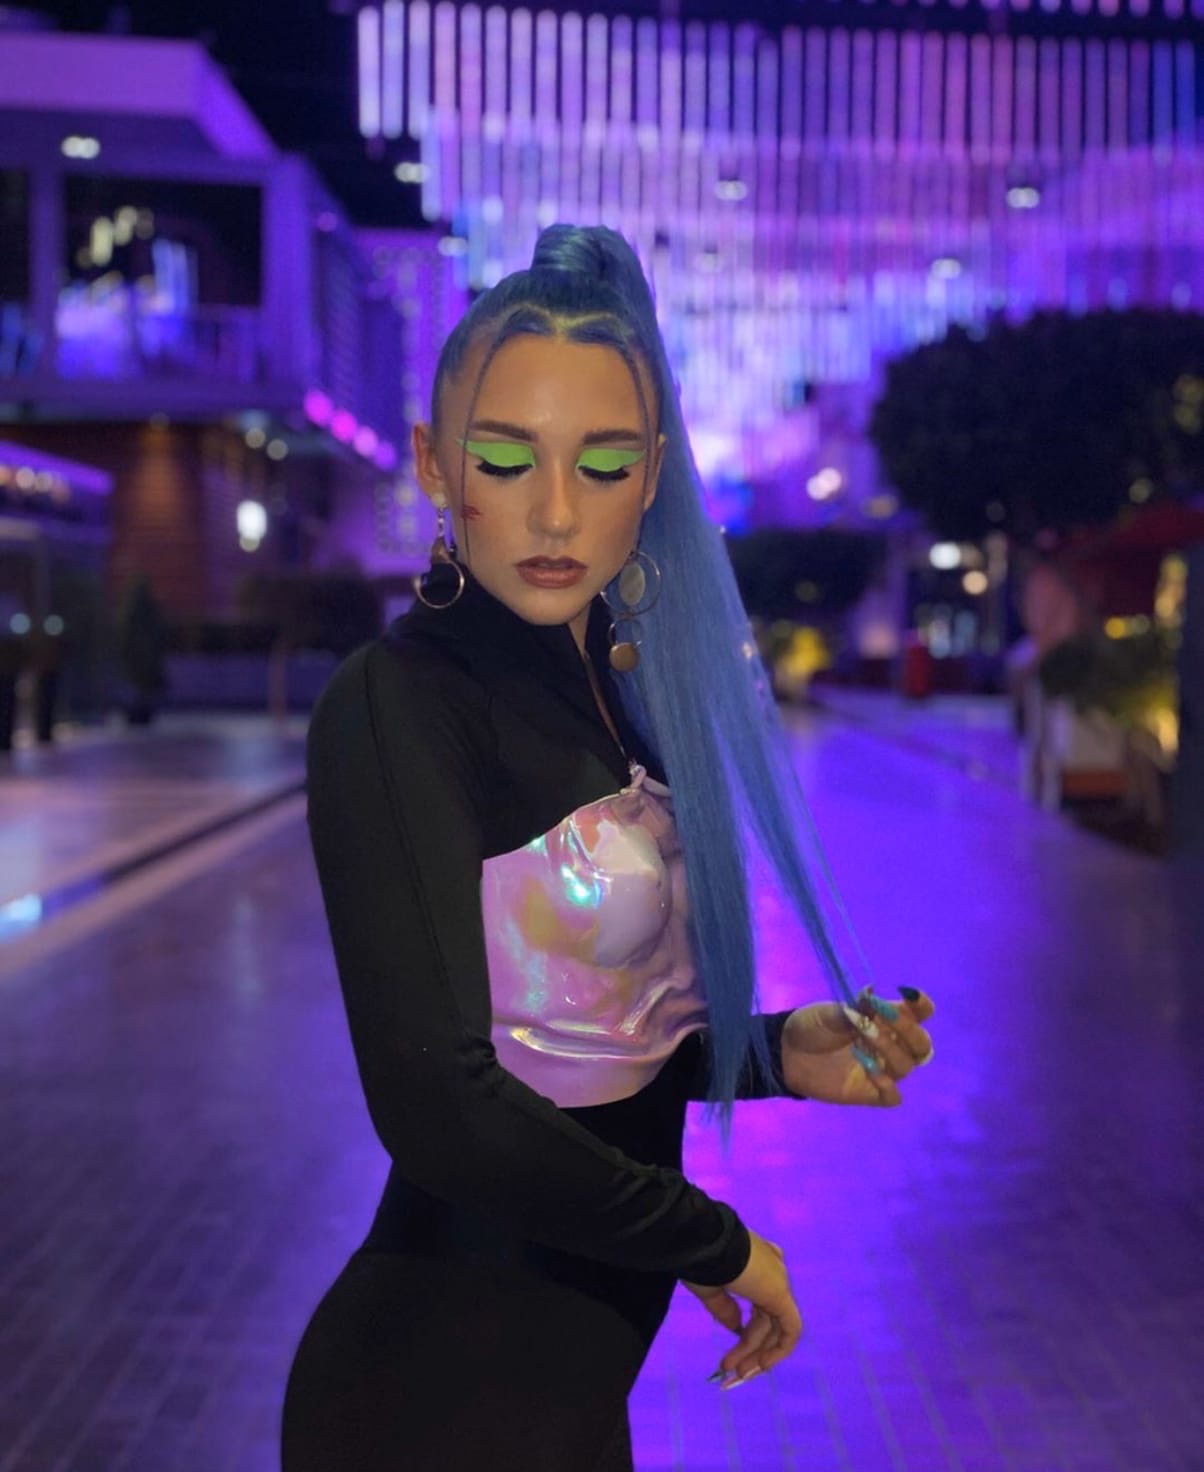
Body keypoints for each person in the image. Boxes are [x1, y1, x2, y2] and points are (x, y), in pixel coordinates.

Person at [280, 224, 936, 1472]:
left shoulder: (624, 695)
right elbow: (440, 1104)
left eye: (603, 462)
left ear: (654, 477)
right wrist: (712, 1241)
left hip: (567, 1394)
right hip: (435, 1398)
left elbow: (590, 1042)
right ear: (433, 463)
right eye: (504, 457)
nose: (555, 510)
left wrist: (778, 1051)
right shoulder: (398, 702)